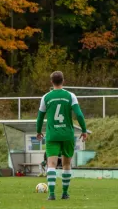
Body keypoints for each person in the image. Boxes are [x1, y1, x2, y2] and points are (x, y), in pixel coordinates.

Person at [36, 71, 87, 200]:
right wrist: (84, 130)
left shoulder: (46, 97)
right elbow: (79, 115)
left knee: (51, 164)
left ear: (51, 82)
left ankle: (51, 194)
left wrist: (38, 131)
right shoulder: (70, 96)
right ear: (63, 81)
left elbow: (40, 117)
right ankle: (65, 193)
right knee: (66, 164)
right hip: (67, 134)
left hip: (52, 135)